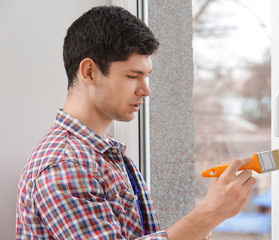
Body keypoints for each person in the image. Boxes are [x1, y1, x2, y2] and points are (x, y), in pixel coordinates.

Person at [16, 5, 256, 240]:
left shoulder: (106, 154)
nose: (146, 90)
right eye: (133, 76)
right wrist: (210, 213)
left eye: (146, 76)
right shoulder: (65, 166)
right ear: (89, 71)